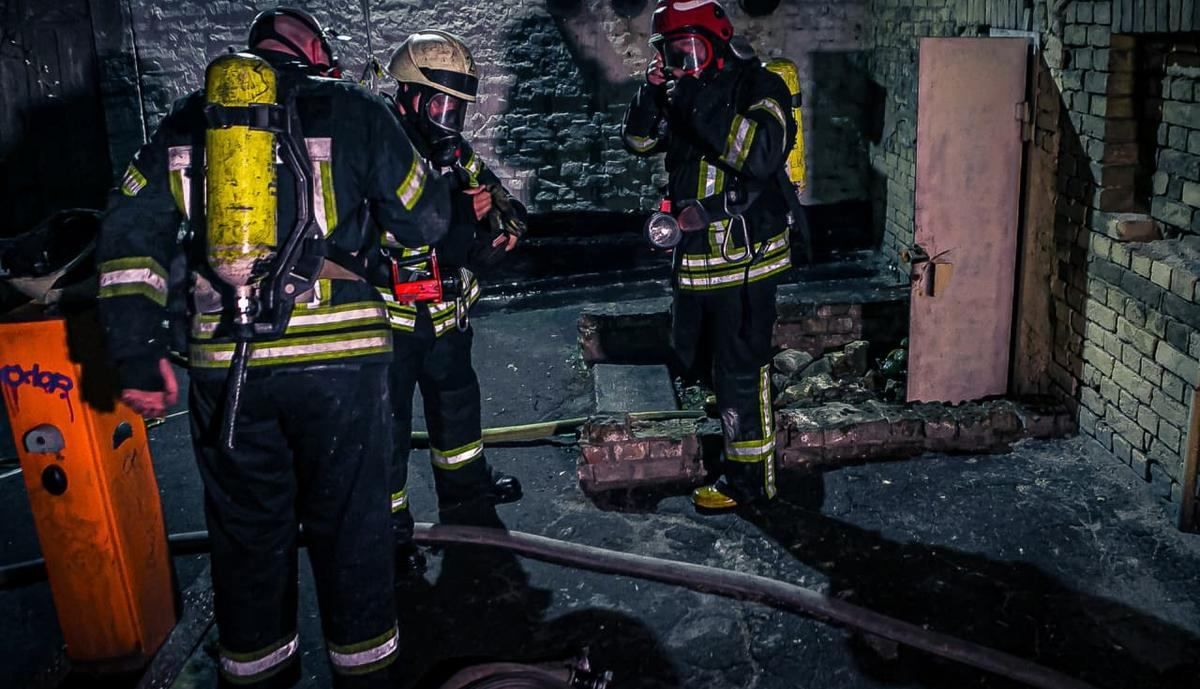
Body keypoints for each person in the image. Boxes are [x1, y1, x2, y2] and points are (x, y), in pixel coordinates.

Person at [96, 8, 448, 688]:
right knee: (352, 529)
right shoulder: (354, 109)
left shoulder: (187, 123)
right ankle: (366, 676)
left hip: (229, 368)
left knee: (247, 538)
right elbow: (425, 217)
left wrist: (137, 353)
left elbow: (129, 237)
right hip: (341, 361)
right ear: (311, 46)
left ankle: (258, 673)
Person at [622, 0, 797, 511]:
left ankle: (750, 483)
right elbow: (637, 141)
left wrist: (695, 97)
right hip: (696, 260)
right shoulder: (678, 90)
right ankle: (731, 426)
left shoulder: (759, 86)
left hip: (745, 260)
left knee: (742, 367)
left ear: (717, 45)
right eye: (672, 52)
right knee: (698, 359)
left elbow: (760, 155)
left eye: (690, 50)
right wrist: (651, 92)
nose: (682, 62)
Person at [378, 30, 524, 572]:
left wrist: (500, 219)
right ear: (408, 96)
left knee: (458, 406)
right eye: (439, 105)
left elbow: (497, 195)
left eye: (456, 109)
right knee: (388, 428)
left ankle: (466, 492)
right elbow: (384, 226)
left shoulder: (451, 150)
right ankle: (390, 532)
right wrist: (458, 211)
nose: (448, 119)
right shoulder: (380, 150)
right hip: (391, 323)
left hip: (445, 316)